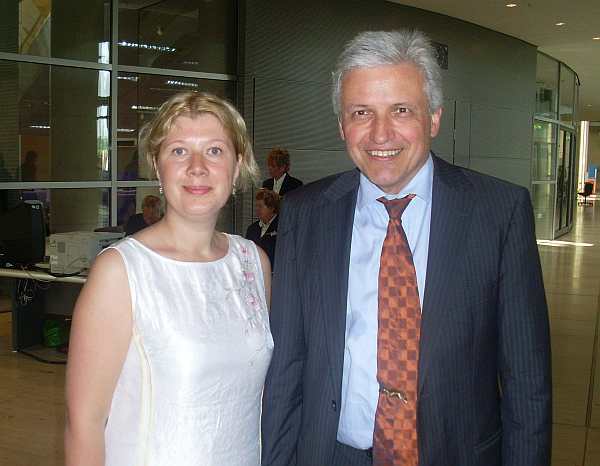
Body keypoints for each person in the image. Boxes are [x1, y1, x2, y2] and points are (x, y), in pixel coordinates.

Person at [261, 29, 551, 466]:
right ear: (342, 125)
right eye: (361, 112)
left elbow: (526, 379)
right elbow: (286, 366)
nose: (380, 133)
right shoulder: (306, 214)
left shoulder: (498, 212)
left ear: (433, 117)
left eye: (400, 109)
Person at [65, 91, 273, 466]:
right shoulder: (121, 272)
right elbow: (85, 424)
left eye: (214, 150)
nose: (197, 166)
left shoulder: (253, 263)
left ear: (237, 164)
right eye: (179, 151)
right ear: (157, 167)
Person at [245, 188, 281, 267]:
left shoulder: (281, 227)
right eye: (256, 206)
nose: (257, 209)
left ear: (271, 208)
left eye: (260, 206)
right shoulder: (252, 229)